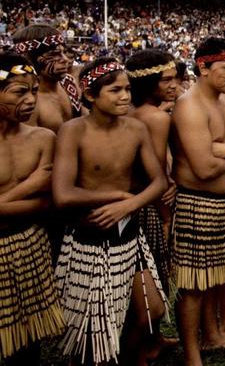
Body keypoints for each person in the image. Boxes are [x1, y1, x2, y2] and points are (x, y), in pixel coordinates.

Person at [52, 57, 169, 365]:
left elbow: (159, 182)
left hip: (129, 234)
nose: (125, 97)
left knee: (152, 312)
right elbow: (63, 194)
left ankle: (129, 355)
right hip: (90, 239)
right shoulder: (72, 131)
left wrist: (128, 204)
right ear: (90, 95)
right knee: (94, 329)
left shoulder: (136, 129)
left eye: (128, 89)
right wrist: (118, 195)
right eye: (115, 90)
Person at [170, 37, 225, 366]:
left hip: (222, 204)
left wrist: (224, 148)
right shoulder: (189, 106)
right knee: (194, 284)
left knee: (215, 276)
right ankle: (193, 355)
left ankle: (213, 334)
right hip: (195, 202)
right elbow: (203, 168)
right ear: (203, 68)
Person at [0, 52, 64, 365]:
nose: (30, 100)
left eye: (34, 91)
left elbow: (49, 201)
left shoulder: (43, 138)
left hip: (29, 245)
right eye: (19, 92)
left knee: (29, 337)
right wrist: (31, 186)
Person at [126, 49, 180, 357]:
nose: (174, 85)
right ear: (149, 83)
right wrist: (164, 214)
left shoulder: (130, 113)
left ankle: (153, 339)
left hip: (135, 200)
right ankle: (142, 347)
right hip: (148, 204)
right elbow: (156, 169)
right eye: (167, 80)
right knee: (155, 274)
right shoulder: (157, 118)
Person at [12, 25, 78, 133]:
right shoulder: (26, 102)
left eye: (63, 52)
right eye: (55, 54)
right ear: (31, 59)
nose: (65, 60)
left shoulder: (69, 83)